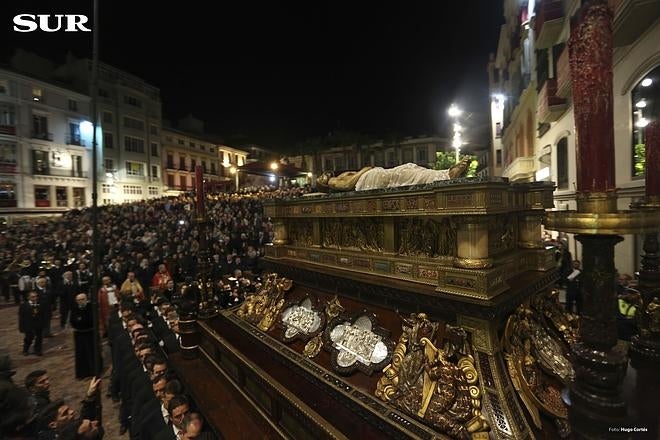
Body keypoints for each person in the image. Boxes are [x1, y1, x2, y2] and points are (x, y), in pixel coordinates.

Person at [316, 156, 472, 192]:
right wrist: (364, 170)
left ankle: (444, 173)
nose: (322, 176)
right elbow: (349, 184)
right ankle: (446, 175)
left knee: (409, 171)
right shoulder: (333, 182)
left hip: (371, 176)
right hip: (368, 180)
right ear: (323, 184)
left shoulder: (335, 177)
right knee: (405, 173)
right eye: (319, 179)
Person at [70, 293, 97, 379]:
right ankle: (83, 373)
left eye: (82, 299)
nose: (81, 301)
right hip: (79, 334)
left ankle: (94, 371)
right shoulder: (74, 309)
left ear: (86, 299)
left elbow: (92, 319)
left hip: (90, 333)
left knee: (91, 352)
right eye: (78, 300)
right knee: (81, 354)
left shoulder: (91, 307)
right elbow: (72, 320)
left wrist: (81, 321)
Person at [19, 291, 47, 356]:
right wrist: (22, 327)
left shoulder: (41, 304)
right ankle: (25, 350)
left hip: (38, 324)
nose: (35, 298)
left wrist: (44, 324)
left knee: (39, 338)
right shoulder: (24, 305)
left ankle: (38, 350)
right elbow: (21, 318)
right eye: (33, 297)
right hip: (28, 325)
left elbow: (43, 315)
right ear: (28, 297)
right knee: (28, 338)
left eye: (36, 296)